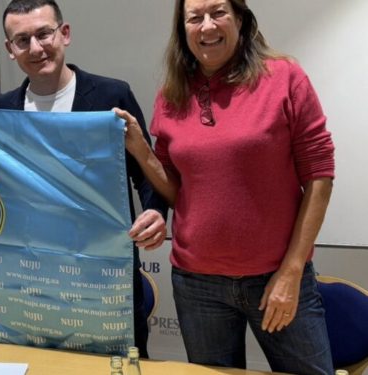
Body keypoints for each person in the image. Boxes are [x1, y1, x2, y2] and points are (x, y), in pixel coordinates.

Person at [0, 0, 168, 358]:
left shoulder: (111, 96)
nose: (36, 47)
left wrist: (155, 212)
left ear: (64, 34)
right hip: (27, 281)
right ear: (9, 50)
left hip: (103, 276)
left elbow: (145, 168)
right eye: (22, 39)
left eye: (44, 34)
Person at [119, 0, 334, 373]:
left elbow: (320, 173)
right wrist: (140, 148)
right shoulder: (172, 92)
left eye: (218, 12)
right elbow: (177, 191)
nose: (207, 26)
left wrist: (292, 270)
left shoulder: (284, 77)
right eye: (194, 17)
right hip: (197, 285)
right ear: (183, 29)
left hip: (276, 277)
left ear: (240, 19)